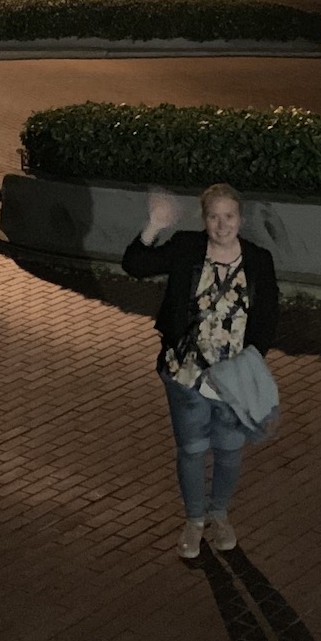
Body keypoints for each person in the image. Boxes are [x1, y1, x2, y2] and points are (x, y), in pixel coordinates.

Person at [123, 182, 279, 560]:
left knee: (228, 451)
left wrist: (248, 364)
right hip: (185, 375)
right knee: (192, 450)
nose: (222, 225)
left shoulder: (258, 260)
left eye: (229, 216)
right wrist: (154, 225)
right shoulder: (187, 248)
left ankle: (219, 515)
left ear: (240, 218)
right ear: (204, 219)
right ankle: (194, 521)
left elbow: (267, 318)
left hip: (232, 380)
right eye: (214, 217)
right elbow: (135, 264)